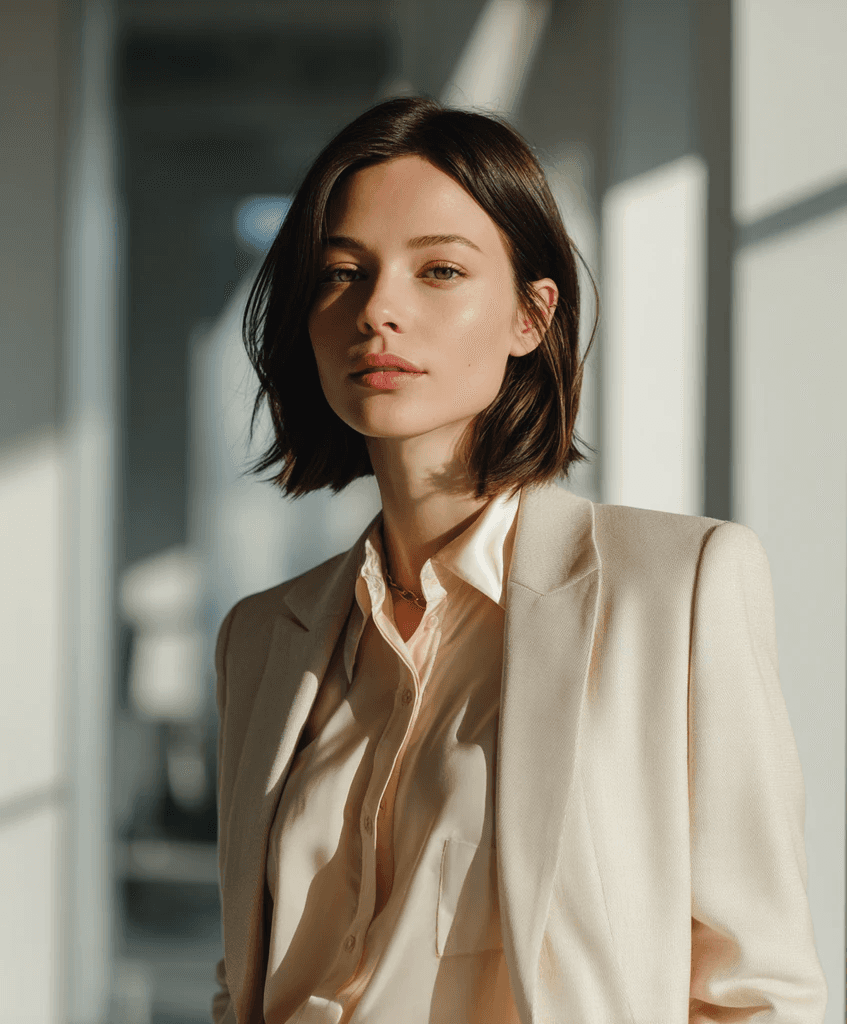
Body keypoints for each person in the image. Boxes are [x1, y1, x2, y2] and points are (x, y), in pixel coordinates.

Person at [211, 96, 827, 1024]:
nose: (379, 309)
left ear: (530, 317)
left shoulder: (679, 588)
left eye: (441, 271)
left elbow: (756, 991)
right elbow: (243, 985)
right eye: (343, 273)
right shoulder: (263, 637)